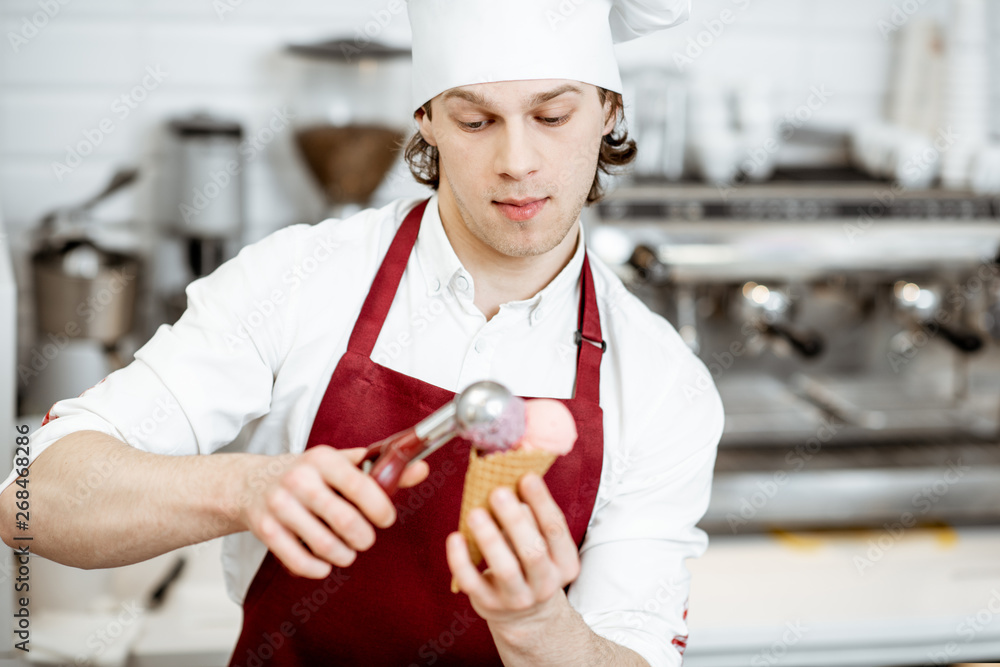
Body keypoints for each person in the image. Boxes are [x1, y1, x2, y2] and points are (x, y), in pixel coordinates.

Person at [0, 0, 724, 664]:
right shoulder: (299, 279)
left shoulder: (663, 382)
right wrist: (245, 488)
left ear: (607, 111)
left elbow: (634, 646)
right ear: (428, 121)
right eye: (476, 121)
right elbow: (29, 498)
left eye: (553, 116)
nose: (517, 161)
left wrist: (538, 623)